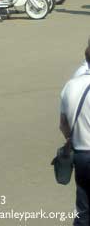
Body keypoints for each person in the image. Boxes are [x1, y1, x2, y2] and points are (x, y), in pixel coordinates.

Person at [60, 46, 90, 226]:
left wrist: (73, 139)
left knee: (83, 209)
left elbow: (63, 125)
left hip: (80, 156)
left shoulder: (70, 85)